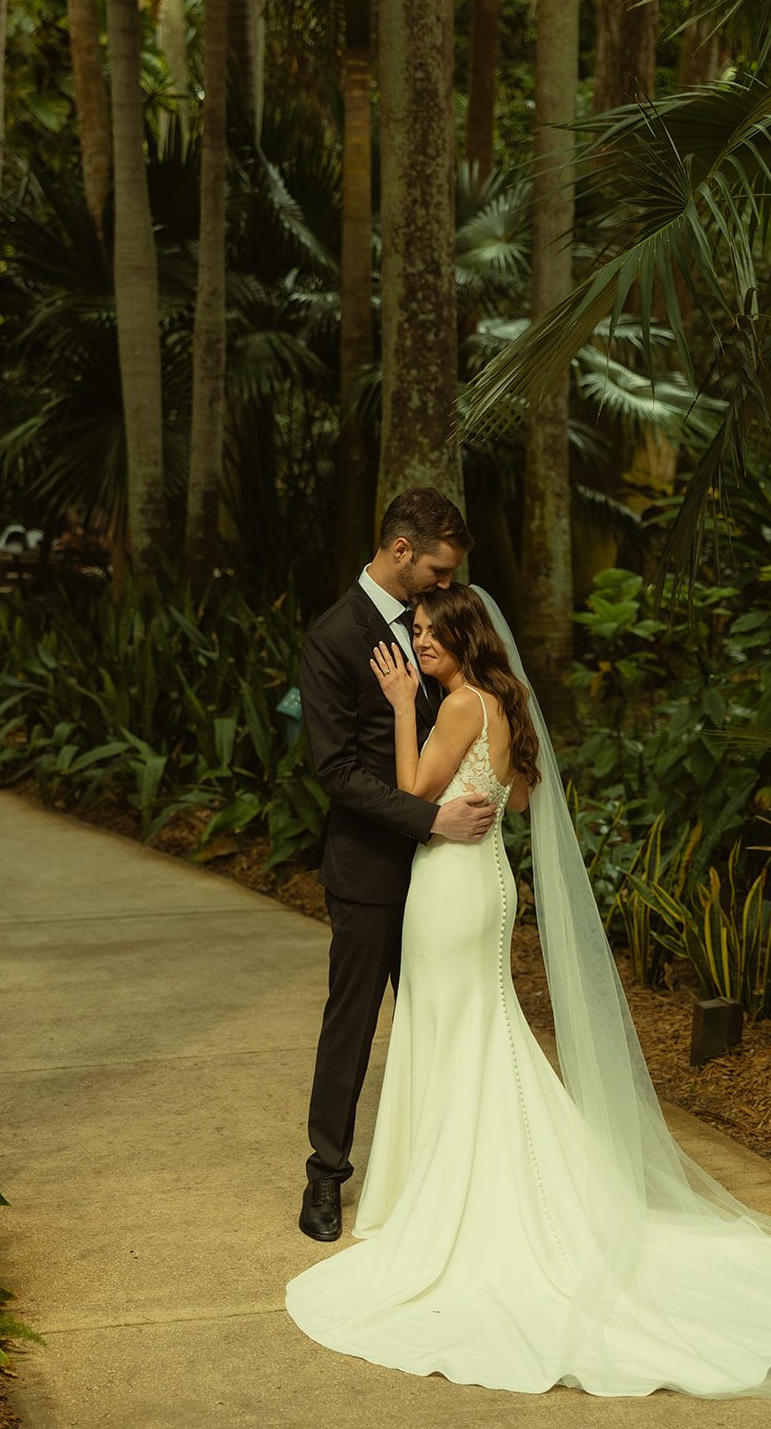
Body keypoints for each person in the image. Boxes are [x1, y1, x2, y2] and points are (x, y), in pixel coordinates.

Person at [287, 585, 771, 1403]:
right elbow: (515, 798)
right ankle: (484, 1180)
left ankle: (456, 1196)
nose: (421, 648)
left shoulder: (453, 707)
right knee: (479, 1030)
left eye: (434, 638)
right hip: (489, 884)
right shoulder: (499, 706)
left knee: (455, 1031)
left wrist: (404, 704)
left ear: (465, 641)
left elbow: (411, 793)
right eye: (420, 639)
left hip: (448, 889)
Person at [296, 490, 496, 1244]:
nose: (447, 583)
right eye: (439, 568)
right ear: (403, 550)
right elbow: (336, 769)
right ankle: (325, 1175)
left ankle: (446, 1177)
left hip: (450, 875)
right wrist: (427, 818)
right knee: (352, 1023)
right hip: (371, 867)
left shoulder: (445, 618)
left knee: (444, 1021)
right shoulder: (333, 636)